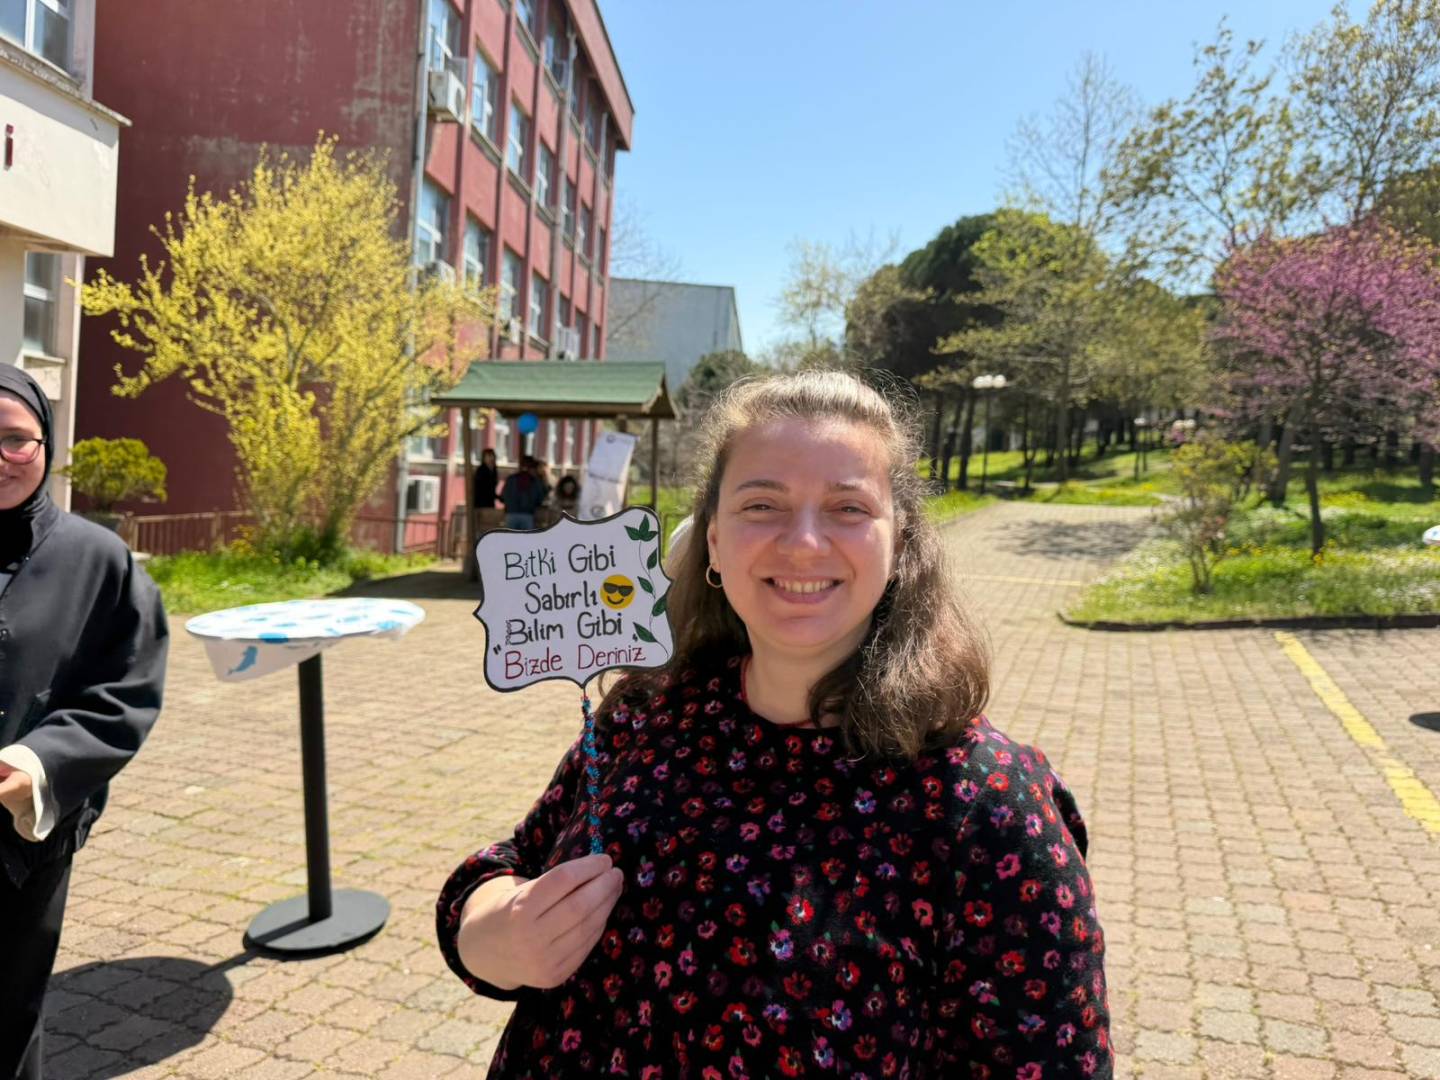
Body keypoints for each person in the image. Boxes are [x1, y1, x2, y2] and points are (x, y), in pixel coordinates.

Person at [437, 371, 1110, 1078]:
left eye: (848, 507)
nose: (805, 541)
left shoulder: (989, 807)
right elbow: (508, 866)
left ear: (900, 544)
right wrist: (496, 936)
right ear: (714, 539)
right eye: (763, 504)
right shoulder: (642, 716)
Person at [0, 366, 169, 1080]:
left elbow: (126, 685)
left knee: (8, 1012)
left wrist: (36, 766)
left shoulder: (96, 558)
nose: (0, 458)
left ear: (45, 443)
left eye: (15, 439)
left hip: (22, 835)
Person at [500, 456, 547, 530]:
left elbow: (503, 496)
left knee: (510, 536)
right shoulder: (534, 481)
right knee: (526, 537)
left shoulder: (511, 479)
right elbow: (540, 498)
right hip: (527, 514)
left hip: (511, 513)